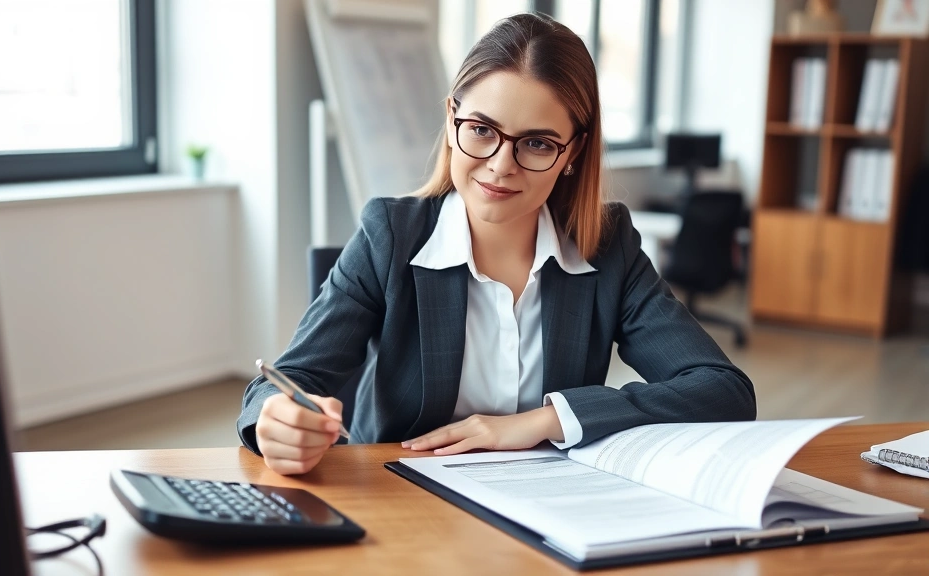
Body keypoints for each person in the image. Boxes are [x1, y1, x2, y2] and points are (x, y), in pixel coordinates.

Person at [237, 13, 755, 475]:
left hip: (551, 507)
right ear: (451, 117)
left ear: (573, 151)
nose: (501, 164)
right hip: (406, 504)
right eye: (482, 129)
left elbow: (722, 389)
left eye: (537, 143)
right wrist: (276, 421)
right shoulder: (390, 236)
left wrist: (546, 420)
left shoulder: (606, 247)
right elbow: (284, 380)